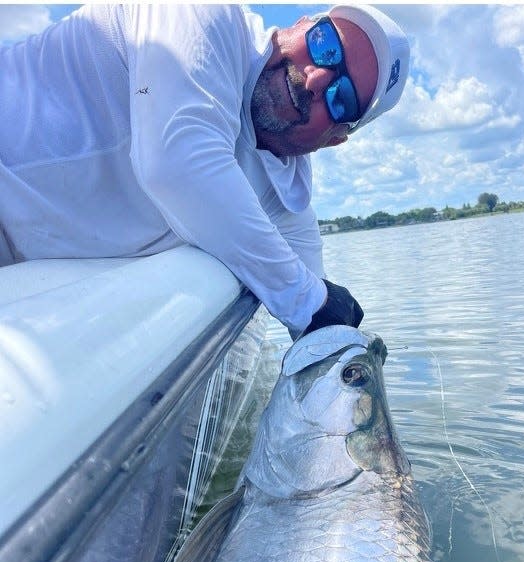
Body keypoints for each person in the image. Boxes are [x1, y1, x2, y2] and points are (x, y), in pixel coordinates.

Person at [0, 5, 409, 337]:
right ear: (301, 24)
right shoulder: (205, 16)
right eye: (326, 45)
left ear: (335, 139)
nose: (317, 77)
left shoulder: (287, 192)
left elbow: (322, 320)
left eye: (342, 98)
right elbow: (176, 164)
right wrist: (307, 302)